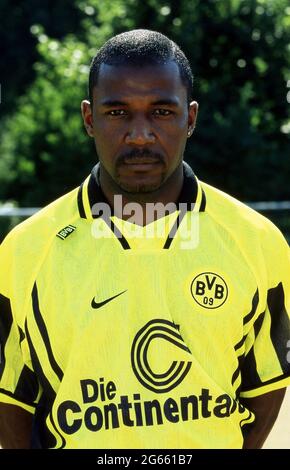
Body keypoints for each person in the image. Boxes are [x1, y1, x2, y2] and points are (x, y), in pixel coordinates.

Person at [0, 29, 289, 450]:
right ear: (88, 118)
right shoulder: (24, 252)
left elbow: (266, 384)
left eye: (161, 112)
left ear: (190, 118)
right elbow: (11, 400)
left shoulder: (257, 241)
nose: (139, 135)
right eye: (117, 113)